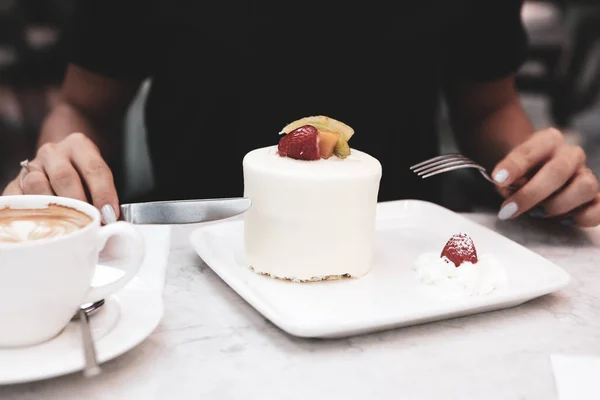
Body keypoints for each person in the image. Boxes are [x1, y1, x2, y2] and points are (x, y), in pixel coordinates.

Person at [3, 0, 600, 227]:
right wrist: (57, 169)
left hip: (405, 252)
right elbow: (85, 104)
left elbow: (490, 105)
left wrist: (540, 176)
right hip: (198, 246)